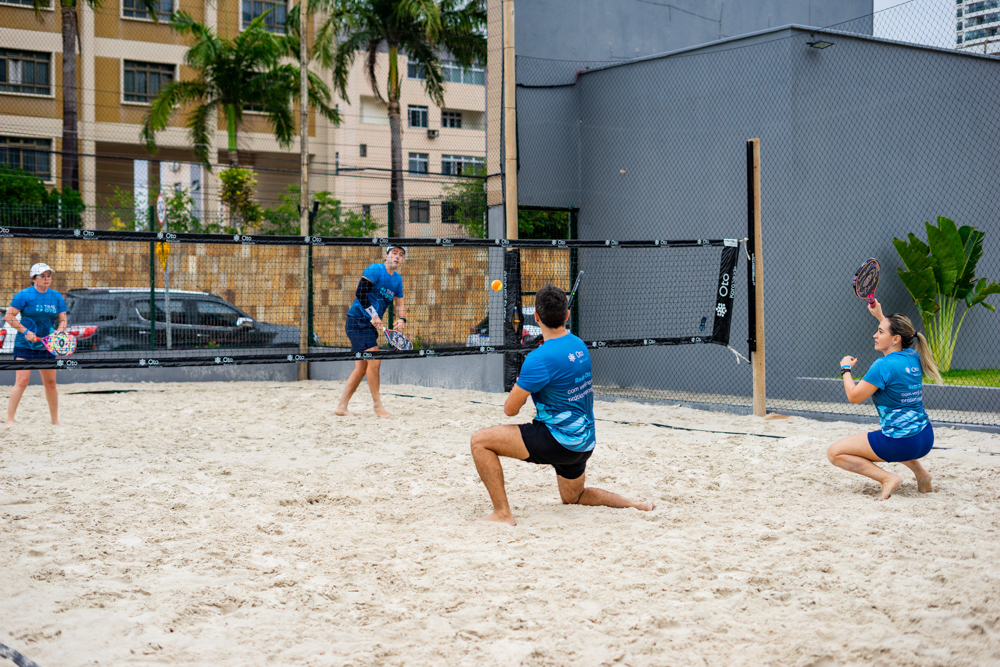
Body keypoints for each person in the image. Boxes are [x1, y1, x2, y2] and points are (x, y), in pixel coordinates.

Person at [470, 284, 655, 525]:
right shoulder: (579, 345)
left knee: (480, 441)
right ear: (566, 315)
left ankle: (502, 514)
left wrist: (521, 386)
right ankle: (635, 504)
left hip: (558, 441)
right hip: (584, 442)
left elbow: (510, 410)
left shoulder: (538, 359)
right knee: (573, 496)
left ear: (537, 317)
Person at [827, 298, 942, 500]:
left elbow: (853, 396)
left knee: (834, 453)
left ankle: (887, 478)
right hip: (925, 437)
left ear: (895, 339)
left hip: (901, 443)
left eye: (880, 331)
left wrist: (845, 369)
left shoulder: (882, 365)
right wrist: (880, 315)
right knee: (898, 431)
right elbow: (898, 334)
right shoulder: (913, 356)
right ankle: (922, 474)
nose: (875, 335)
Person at [334, 245, 407, 419]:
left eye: (401, 254)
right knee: (375, 359)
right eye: (394, 253)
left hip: (370, 325)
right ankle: (377, 406)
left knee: (361, 368)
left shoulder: (397, 279)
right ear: (386, 255)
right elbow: (360, 293)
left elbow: (399, 303)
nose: (397, 256)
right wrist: (373, 314)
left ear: (403, 260)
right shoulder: (375, 269)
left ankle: (342, 406)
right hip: (357, 321)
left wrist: (402, 319)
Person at [5, 263, 68, 427]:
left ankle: (55, 420)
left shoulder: (56, 296)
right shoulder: (23, 295)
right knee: (22, 381)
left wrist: (59, 333)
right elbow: (9, 316)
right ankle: (10, 420)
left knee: (50, 383)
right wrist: (26, 332)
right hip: (25, 345)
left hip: (47, 346)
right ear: (34, 278)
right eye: (42, 276)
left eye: (49, 276)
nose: (47, 279)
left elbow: (63, 320)